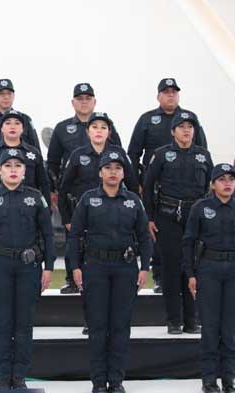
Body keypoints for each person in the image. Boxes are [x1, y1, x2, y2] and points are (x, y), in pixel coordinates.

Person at [0, 148, 55, 389]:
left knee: (24, 323)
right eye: (8, 166)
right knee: (3, 323)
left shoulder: (36, 197)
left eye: (18, 166)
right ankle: (3, 376)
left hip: (28, 267)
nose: (13, 170)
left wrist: (49, 266)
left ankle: (20, 376)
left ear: (25, 171)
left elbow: (48, 234)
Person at [67, 153, 152, 393]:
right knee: (97, 325)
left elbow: (144, 237)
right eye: (108, 168)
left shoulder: (133, 201)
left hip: (125, 268)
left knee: (120, 326)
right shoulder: (88, 199)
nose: (113, 172)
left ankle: (116, 380)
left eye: (117, 168)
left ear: (123, 173)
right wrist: (75, 267)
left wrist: (145, 267)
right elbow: (75, 235)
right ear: (100, 172)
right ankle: (98, 381)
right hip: (95, 267)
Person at [183, 163, 235, 393]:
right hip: (209, 269)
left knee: (230, 329)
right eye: (222, 179)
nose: (227, 183)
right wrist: (191, 274)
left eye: (231, 179)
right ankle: (209, 379)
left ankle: (228, 378)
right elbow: (188, 242)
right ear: (213, 184)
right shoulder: (201, 208)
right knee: (210, 327)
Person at [127, 78, 208, 292]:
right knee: (158, 233)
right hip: (154, 186)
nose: (170, 95)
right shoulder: (147, 119)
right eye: (166, 92)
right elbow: (133, 153)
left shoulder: (190, 119)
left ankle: (188, 277)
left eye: (174, 92)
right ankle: (160, 277)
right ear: (158, 96)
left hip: (186, 189)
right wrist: (136, 183)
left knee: (189, 239)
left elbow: (203, 153)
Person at [143, 111, 213, 335]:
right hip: (168, 217)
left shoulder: (203, 156)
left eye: (190, 127)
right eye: (181, 127)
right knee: (172, 269)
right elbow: (148, 186)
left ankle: (192, 320)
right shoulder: (162, 154)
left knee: (192, 268)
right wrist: (149, 217)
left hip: (195, 219)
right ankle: (174, 320)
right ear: (173, 131)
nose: (186, 131)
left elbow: (211, 188)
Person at [58, 112, 139, 296]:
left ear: (109, 132)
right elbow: (64, 189)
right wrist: (67, 219)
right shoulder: (78, 155)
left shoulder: (119, 154)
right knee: (79, 252)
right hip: (83, 214)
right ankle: (73, 282)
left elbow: (133, 186)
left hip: (114, 213)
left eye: (103, 127)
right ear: (88, 131)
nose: (99, 131)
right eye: (94, 127)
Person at [46, 83, 122, 191]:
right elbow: (53, 163)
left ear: (94, 102)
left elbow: (118, 155)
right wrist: (52, 190)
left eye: (88, 98)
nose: (84, 102)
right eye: (80, 98)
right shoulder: (61, 128)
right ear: (73, 103)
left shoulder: (108, 126)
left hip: (105, 190)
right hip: (73, 190)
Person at [0, 109, 52, 199]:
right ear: (1, 128)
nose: (12, 127)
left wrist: (46, 206)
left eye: (17, 123)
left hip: (28, 203)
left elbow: (44, 184)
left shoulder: (33, 153)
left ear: (22, 129)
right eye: (8, 123)